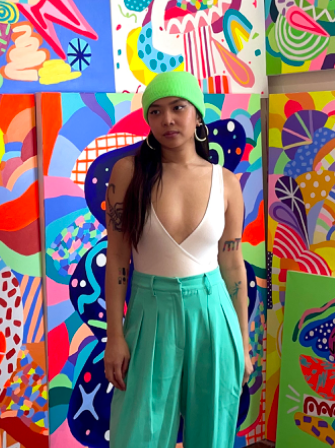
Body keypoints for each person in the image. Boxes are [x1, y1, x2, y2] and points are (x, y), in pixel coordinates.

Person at [103, 71, 253, 447]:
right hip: (150, 311)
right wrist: (114, 336)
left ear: (197, 114)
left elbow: (232, 264)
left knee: (213, 432)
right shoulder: (129, 173)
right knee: (138, 434)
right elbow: (117, 257)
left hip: (213, 313)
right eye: (155, 111)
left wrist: (243, 340)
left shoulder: (226, 182)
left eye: (178, 108)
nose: (167, 119)